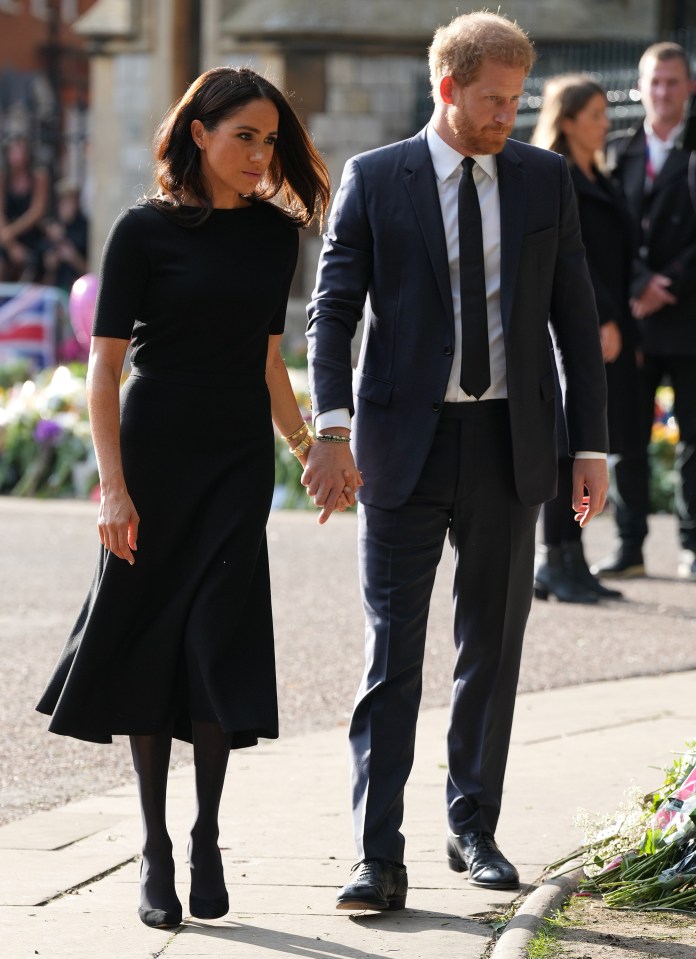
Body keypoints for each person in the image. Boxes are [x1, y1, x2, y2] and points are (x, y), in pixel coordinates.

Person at [304, 11, 609, 912]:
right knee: (391, 657)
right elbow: (332, 311)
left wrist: (588, 448)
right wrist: (332, 428)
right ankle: (376, 852)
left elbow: (575, 323)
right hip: (403, 448)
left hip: (512, 446)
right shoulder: (375, 178)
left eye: (517, 100)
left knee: (493, 649)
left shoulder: (546, 181)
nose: (509, 115)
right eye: (493, 100)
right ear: (447, 88)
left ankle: (474, 826)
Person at [36, 67, 336, 930]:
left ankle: (206, 834)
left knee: (215, 643)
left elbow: (267, 358)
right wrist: (114, 489)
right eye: (244, 135)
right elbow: (104, 367)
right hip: (156, 460)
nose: (260, 154)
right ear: (198, 133)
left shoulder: (277, 237)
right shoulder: (140, 233)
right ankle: (155, 845)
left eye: (271, 140)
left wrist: (307, 446)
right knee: (151, 648)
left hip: (236, 463)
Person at [530, 75, 642, 603]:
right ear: (568, 120)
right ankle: (555, 559)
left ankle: (572, 559)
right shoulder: (559, 177)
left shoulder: (600, 172)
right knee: (564, 444)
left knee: (586, 442)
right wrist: (601, 321)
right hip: (580, 325)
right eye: (596, 113)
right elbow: (573, 262)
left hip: (612, 321)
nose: (606, 122)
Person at [591, 43, 696, 582]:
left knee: (694, 439)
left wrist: (669, 283)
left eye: (672, 83)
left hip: (689, 319)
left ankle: (693, 544)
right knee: (626, 439)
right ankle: (629, 545)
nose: (661, 93)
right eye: (654, 83)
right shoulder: (616, 149)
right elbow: (606, 235)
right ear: (640, 86)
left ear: (689, 88)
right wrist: (637, 283)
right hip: (634, 322)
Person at [0, 136, 50, 282]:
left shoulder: (39, 177)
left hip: (31, 234)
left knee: (40, 262)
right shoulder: (3, 178)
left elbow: (37, 212)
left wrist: (10, 232)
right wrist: (11, 245)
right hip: (7, 238)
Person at [41, 178, 89, 293]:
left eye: (71, 201)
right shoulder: (49, 228)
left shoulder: (84, 228)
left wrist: (73, 258)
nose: (67, 206)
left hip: (77, 289)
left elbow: (92, 270)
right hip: (52, 290)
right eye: (64, 201)